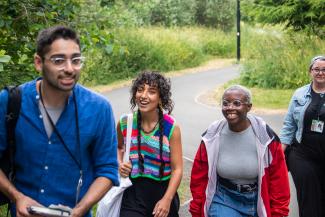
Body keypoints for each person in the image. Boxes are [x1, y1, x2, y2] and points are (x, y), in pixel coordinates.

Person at [0, 26, 119, 217]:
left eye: (76, 60)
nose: (70, 68)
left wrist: (80, 210)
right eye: (59, 60)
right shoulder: (11, 101)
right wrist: (17, 197)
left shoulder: (99, 108)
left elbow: (108, 169)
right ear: (39, 62)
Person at [190, 85, 290, 217]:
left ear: (249, 106)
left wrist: (279, 212)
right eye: (226, 103)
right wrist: (197, 207)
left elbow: (279, 179)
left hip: (258, 199)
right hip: (224, 199)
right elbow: (199, 175)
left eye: (237, 103)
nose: (230, 107)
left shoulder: (266, 138)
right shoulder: (211, 136)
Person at [117, 71, 183, 217]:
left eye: (152, 92)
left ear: (161, 98)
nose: (144, 96)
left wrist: (167, 200)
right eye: (140, 90)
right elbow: (119, 147)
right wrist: (120, 163)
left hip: (163, 192)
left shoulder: (171, 127)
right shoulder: (125, 122)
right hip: (133, 192)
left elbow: (177, 169)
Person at [280, 55, 325, 217]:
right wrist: (279, 152)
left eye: (324, 69)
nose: (320, 73)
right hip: (302, 154)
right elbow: (289, 125)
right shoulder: (299, 94)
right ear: (310, 71)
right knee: (309, 199)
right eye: (316, 69)